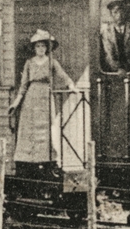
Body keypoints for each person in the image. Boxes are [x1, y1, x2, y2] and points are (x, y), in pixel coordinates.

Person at [9, 30, 79, 180]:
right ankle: (29, 159)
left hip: (45, 97)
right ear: (34, 48)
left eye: (43, 46)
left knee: (47, 127)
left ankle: (47, 159)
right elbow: (23, 85)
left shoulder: (52, 62)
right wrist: (16, 102)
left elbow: (63, 75)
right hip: (30, 97)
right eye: (38, 46)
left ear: (47, 48)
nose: (40, 49)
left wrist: (71, 85)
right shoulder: (29, 63)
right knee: (29, 128)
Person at [100, 0, 130, 73]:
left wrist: (127, 69)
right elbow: (108, 54)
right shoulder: (106, 32)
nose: (119, 15)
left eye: (122, 12)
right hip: (114, 72)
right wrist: (118, 69)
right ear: (111, 14)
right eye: (115, 12)